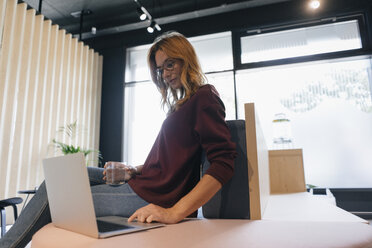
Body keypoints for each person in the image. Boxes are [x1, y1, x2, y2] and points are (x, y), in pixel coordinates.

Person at [0, 31, 236, 248]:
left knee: (56, 195)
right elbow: (166, 165)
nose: (164, 74)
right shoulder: (181, 106)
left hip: (152, 195)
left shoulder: (205, 97)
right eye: (160, 69)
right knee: (57, 179)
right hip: (144, 184)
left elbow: (223, 162)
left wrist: (175, 212)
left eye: (170, 64)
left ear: (186, 59)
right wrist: (131, 170)